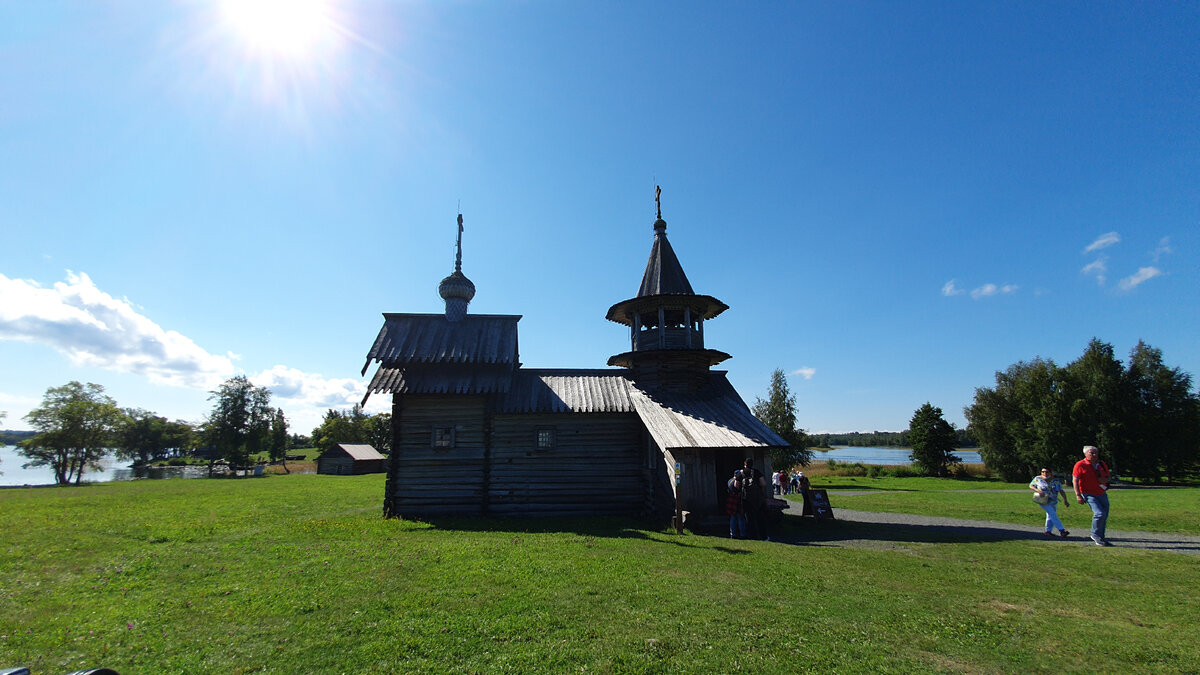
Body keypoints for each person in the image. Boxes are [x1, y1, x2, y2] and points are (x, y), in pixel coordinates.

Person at [1073, 444, 1112, 546]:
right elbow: (1075, 480)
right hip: (1088, 493)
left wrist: (1105, 480)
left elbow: (1108, 477)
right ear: (1085, 454)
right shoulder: (1080, 465)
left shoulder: (1101, 464)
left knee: (1104, 516)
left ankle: (1101, 538)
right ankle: (1094, 534)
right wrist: (1078, 495)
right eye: (1092, 453)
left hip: (1101, 493)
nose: (1094, 455)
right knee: (1099, 514)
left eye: (1096, 453)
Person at [1029, 468, 1070, 538]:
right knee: (1052, 514)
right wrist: (1038, 491)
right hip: (1043, 500)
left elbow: (1061, 490)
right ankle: (1062, 530)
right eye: (1043, 472)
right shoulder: (1038, 479)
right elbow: (1031, 485)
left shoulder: (1055, 480)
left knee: (1050, 515)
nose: (1044, 473)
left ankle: (1048, 531)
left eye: (1047, 472)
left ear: (1051, 473)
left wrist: (1065, 500)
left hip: (1053, 500)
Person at [741, 458, 768, 541]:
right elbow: (763, 483)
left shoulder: (741, 473)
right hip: (757, 499)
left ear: (745, 463)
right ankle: (763, 536)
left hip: (746, 499)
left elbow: (736, 485)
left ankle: (752, 536)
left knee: (749, 518)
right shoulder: (756, 472)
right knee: (760, 517)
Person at [726, 470, 747, 539]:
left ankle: (733, 533)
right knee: (740, 517)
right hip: (737, 499)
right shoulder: (737, 481)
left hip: (731, 498)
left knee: (733, 517)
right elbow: (738, 488)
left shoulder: (730, 481)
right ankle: (743, 534)